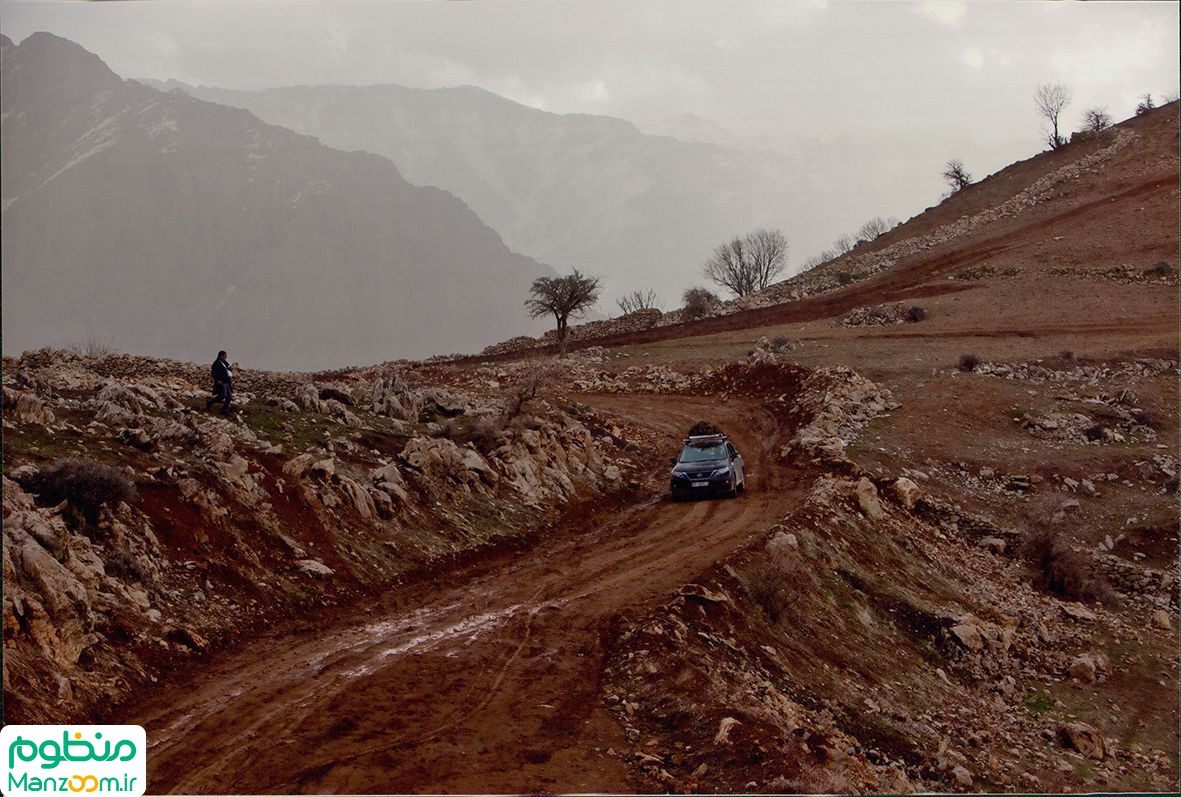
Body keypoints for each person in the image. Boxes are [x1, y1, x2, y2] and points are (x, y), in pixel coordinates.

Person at [206, 350, 233, 414]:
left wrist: (230, 374)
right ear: (221, 356)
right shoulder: (216, 363)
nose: (225, 357)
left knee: (229, 396)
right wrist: (218, 380)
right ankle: (210, 401)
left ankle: (224, 409)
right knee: (222, 395)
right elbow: (213, 373)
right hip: (221, 383)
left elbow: (229, 368)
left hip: (226, 382)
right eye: (224, 356)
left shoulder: (225, 363)